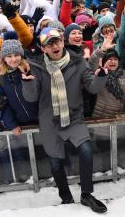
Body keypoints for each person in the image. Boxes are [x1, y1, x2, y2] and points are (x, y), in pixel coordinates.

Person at [21, 27, 108, 212]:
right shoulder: (35, 66)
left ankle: (86, 194)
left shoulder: (78, 62)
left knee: (86, 150)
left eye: (57, 41)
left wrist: (100, 77)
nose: (55, 45)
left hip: (74, 116)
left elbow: (92, 88)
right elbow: (31, 97)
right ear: (43, 49)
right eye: (49, 43)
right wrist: (28, 82)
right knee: (55, 162)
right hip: (49, 120)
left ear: (62, 42)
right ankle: (65, 195)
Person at [0, 39, 38, 135]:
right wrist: (11, 124)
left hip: (40, 119)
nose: (14, 59)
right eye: (9, 56)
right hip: (20, 123)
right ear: (4, 58)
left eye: (16, 55)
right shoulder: (0, 76)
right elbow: (2, 102)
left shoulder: (31, 68)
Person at [89, 49, 125, 117]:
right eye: (109, 59)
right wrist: (102, 49)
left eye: (115, 59)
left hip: (121, 114)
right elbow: (92, 62)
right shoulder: (101, 73)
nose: (113, 62)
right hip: (102, 115)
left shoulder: (123, 73)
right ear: (104, 61)